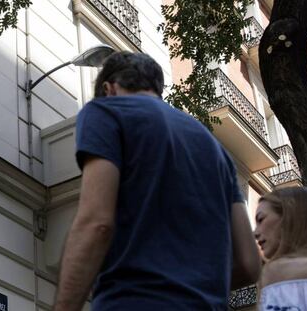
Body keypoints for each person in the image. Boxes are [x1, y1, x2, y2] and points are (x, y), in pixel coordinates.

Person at [53, 51, 261, 311]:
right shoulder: (215, 150)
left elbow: (96, 223)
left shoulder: (105, 111)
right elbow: (249, 263)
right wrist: (192, 282)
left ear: (109, 89)